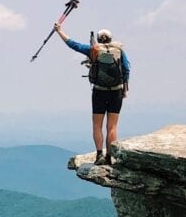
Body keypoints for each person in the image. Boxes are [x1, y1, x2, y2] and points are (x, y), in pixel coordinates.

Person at [54, 24, 130, 165]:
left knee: (97, 125)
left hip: (99, 91)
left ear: (98, 39)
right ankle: (109, 157)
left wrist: (59, 31)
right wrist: (124, 89)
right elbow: (126, 69)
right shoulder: (119, 50)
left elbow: (72, 44)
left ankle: (99, 155)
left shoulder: (93, 50)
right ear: (110, 39)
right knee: (112, 127)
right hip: (116, 92)